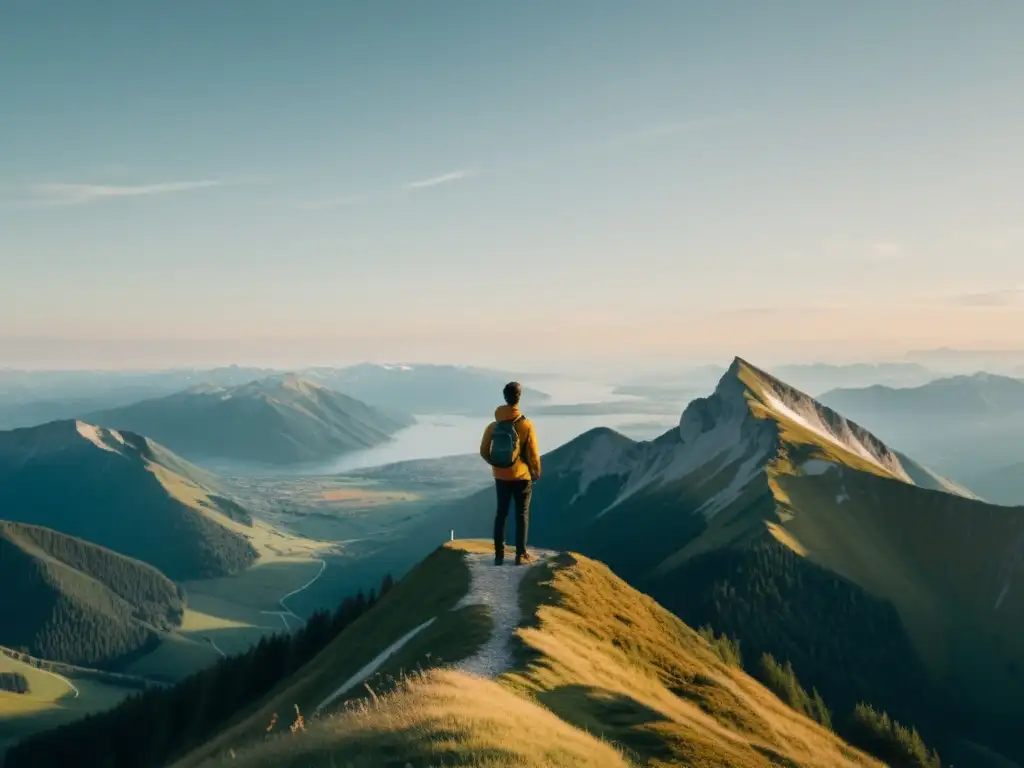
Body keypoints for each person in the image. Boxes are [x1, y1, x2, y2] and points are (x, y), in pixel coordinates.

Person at [479, 381, 541, 566]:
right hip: (521, 477)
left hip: (501, 476)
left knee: (501, 514)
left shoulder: (493, 426)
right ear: (518, 398)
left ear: (505, 397)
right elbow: (533, 454)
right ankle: (520, 555)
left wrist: (497, 464)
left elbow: (483, 451)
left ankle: (499, 555)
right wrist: (536, 471)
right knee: (521, 514)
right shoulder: (526, 425)